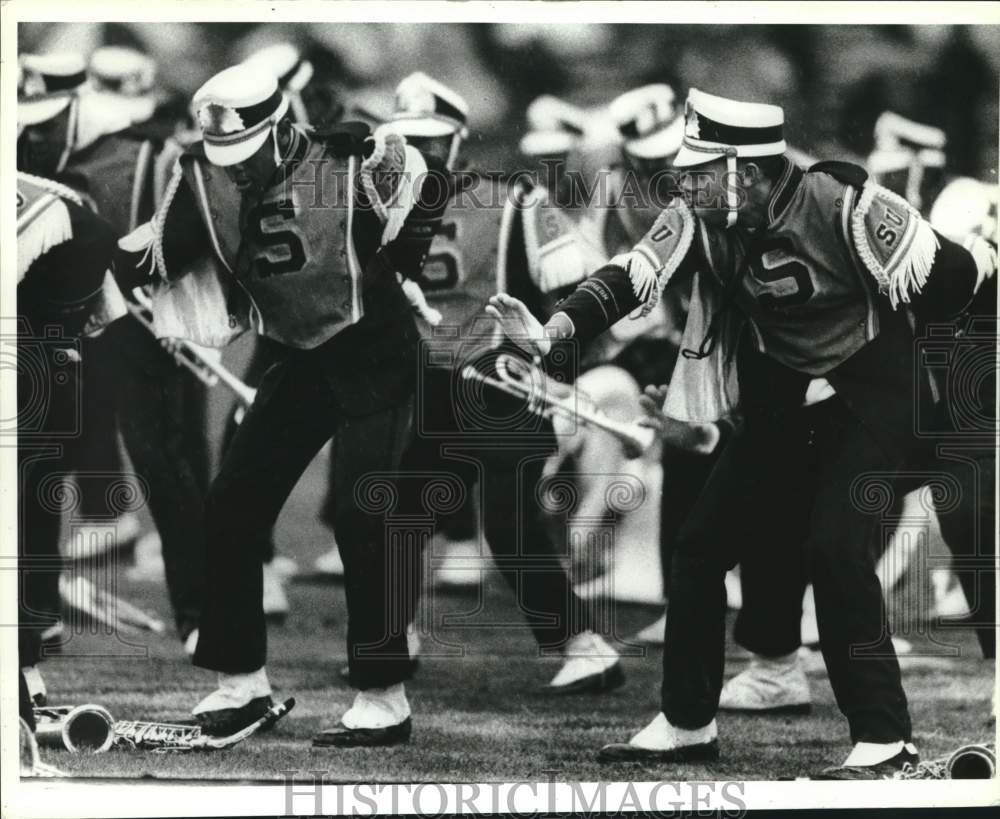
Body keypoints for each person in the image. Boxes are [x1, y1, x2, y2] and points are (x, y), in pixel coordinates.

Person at [487, 88, 992, 778]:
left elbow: (956, 282)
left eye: (697, 170)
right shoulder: (699, 213)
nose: (681, 182)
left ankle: (884, 737)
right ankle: (688, 720)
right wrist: (556, 330)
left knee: (836, 547)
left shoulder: (845, 201)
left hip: (873, 389)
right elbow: (632, 274)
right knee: (699, 546)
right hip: (783, 395)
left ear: (743, 171)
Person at [115, 62, 427, 746]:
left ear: (280, 129)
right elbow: (157, 257)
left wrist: (401, 257)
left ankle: (384, 695)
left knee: (361, 509)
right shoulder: (201, 176)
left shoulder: (352, 160)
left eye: (245, 152)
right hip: (297, 351)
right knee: (233, 502)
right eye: (224, 154)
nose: (238, 168)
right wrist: (101, 280)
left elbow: (418, 195)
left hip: (374, 348)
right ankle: (239, 680)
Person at [720, 110, 998, 715]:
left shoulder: (966, 208)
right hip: (891, 392)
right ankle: (774, 663)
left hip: (971, 393)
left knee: (973, 511)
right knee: (787, 492)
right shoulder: (850, 204)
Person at [376, 72, 627, 693]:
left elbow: (578, 283)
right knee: (405, 512)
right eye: (409, 141)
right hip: (437, 385)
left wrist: (554, 369)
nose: (422, 154)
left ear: (458, 142)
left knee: (510, 524)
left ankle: (584, 645)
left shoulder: (514, 201)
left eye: (432, 142)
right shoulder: (383, 204)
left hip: (503, 386)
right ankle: (394, 638)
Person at [19, 50, 210, 652]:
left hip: (133, 326)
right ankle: (36, 609)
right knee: (39, 462)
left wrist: (173, 305)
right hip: (48, 327)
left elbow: (180, 238)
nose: (34, 131)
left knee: (162, 462)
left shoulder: (151, 155)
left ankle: (204, 612)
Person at [17, 169, 128, 716]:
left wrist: (52, 328)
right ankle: (29, 647)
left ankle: (24, 656)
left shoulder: (43, 200)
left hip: (32, 364)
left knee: (30, 504)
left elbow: (92, 239)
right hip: (44, 358)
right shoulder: (49, 192)